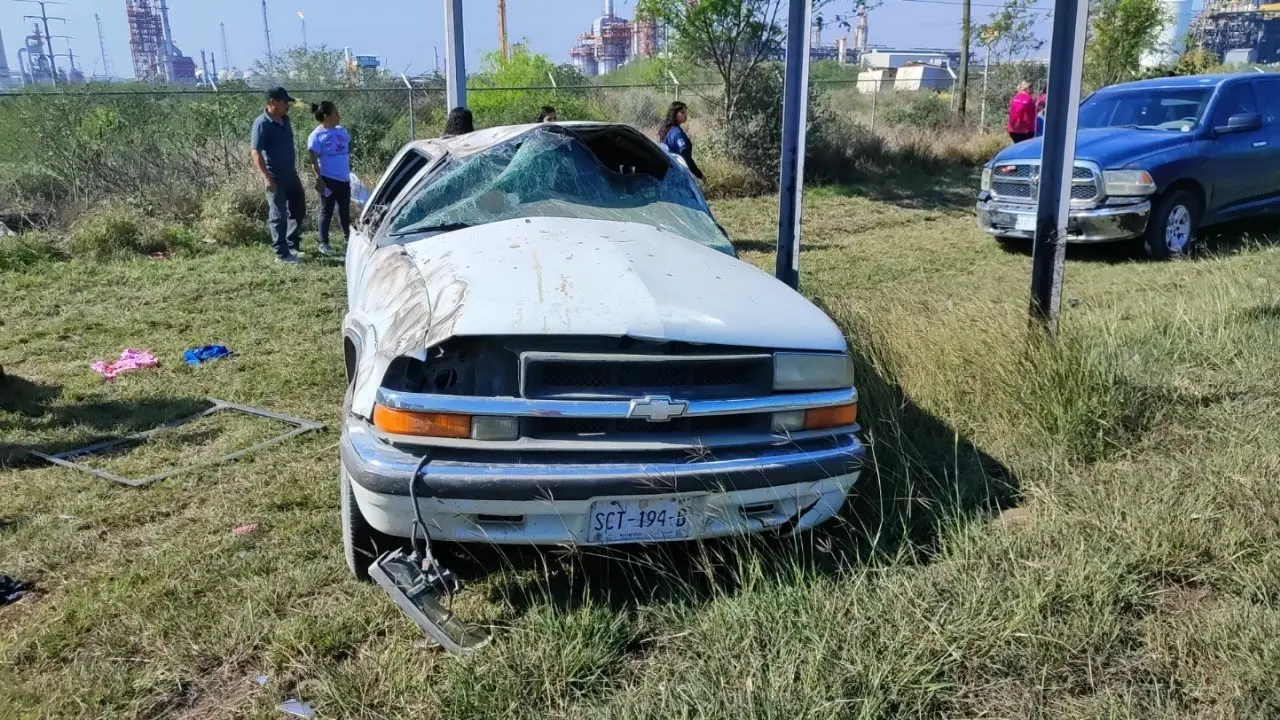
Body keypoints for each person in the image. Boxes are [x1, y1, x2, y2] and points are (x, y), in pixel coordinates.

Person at [251, 86, 305, 264]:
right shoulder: (262, 123)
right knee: (278, 215)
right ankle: (281, 254)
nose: (287, 105)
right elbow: (256, 152)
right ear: (273, 102)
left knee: (298, 208)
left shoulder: (285, 119)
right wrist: (266, 177)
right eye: (284, 102)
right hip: (274, 177)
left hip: (291, 174)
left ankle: (291, 244)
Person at [306, 101, 351, 257]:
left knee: (345, 211)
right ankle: (323, 242)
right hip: (328, 180)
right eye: (336, 113)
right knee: (327, 211)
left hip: (344, 179)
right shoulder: (316, 136)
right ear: (326, 116)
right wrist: (318, 179)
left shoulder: (342, 131)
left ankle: (348, 240)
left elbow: (346, 150)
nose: (339, 116)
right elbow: (313, 160)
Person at [658, 101, 703, 181]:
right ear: (675, 113)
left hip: (667, 172)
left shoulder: (665, 128)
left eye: (685, 112)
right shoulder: (677, 133)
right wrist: (700, 176)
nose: (685, 115)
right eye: (682, 112)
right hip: (679, 173)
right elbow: (686, 158)